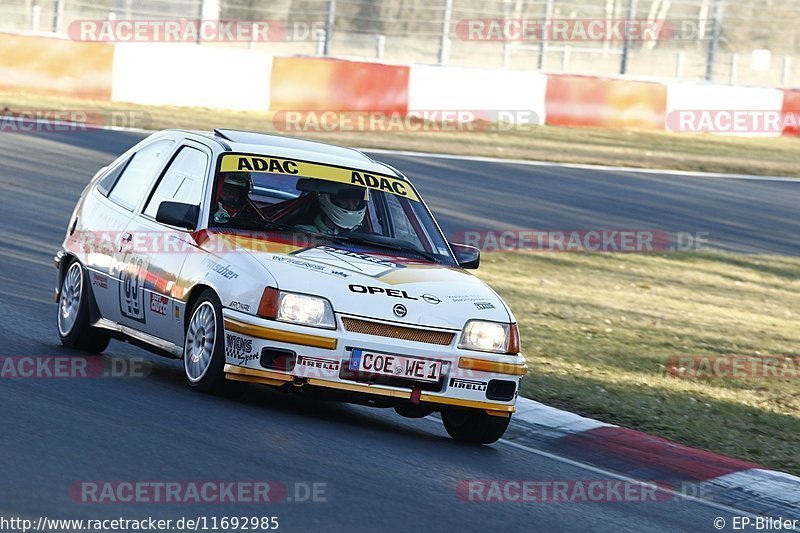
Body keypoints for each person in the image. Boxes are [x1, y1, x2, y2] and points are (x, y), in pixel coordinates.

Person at [295, 184, 368, 235]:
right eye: (343, 199)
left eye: (355, 201)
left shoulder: (368, 238)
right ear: (326, 198)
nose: (351, 206)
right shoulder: (301, 232)